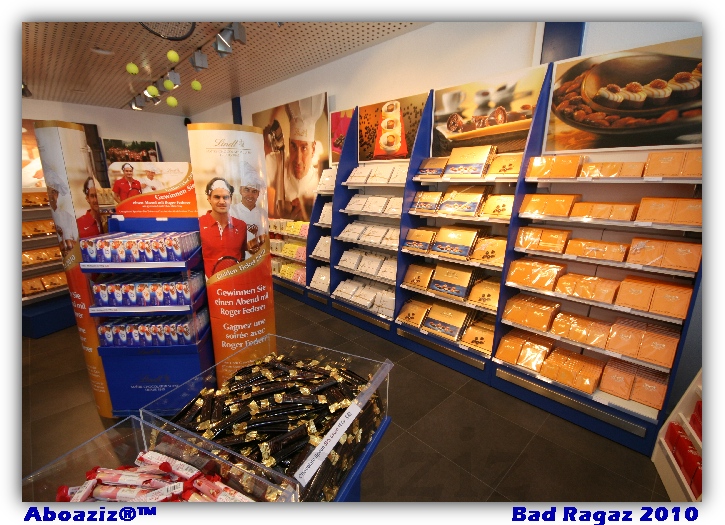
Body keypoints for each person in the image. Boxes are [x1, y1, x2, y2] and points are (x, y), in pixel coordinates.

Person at [198, 177, 248, 279]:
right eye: (217, 197)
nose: (222, 201)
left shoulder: (241, 226)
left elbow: (242, 257)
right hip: (210, 284)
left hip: (236, 283)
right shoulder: (198, 224)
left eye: (225, 197)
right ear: (209, 199)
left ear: (231, 199)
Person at [230, 162, 268, 258]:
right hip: (240, 261)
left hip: (260, 259)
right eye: (246, 190)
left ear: (258, 194)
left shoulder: (263, 213)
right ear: (240, 190)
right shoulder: (232, 211)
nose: (250, 195)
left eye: (254, 191)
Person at [44, 167, 79, 256]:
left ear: (57, 194)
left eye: (54, 192)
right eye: (49, 192)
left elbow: (76, 241)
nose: (51, 196)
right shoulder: (43, 215)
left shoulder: (68, 217)